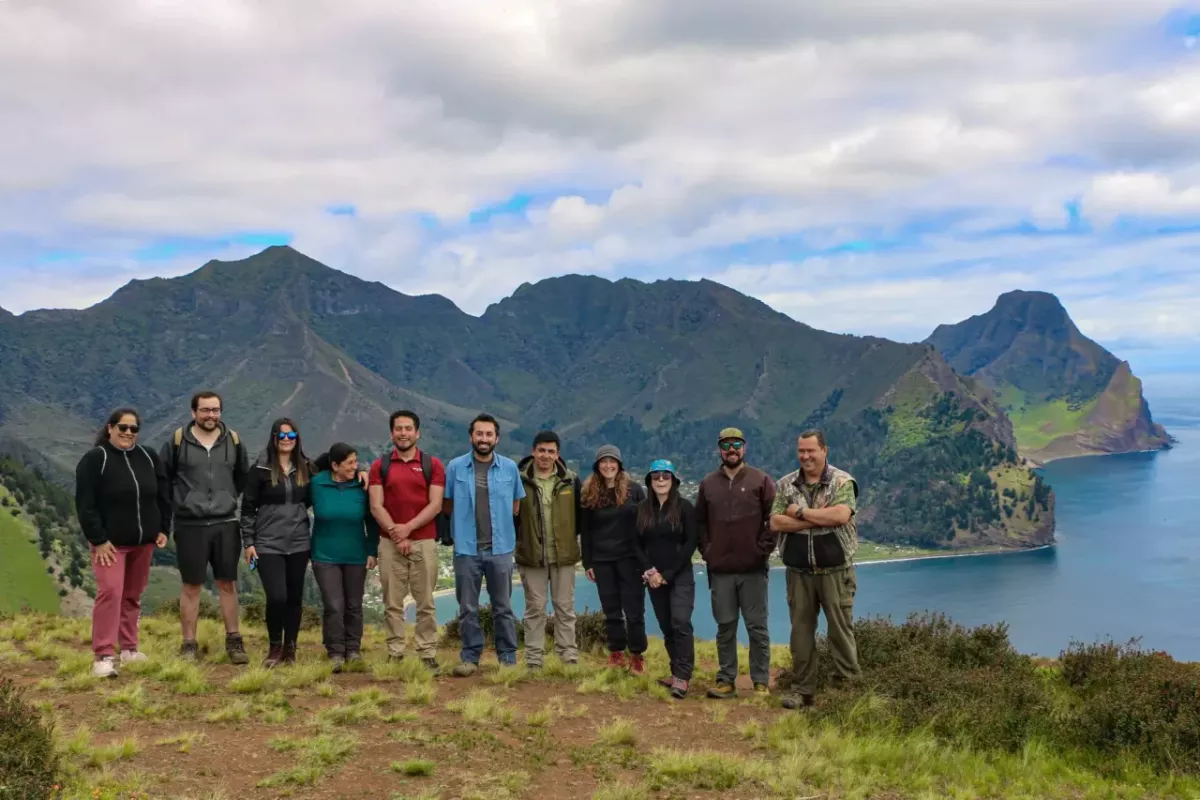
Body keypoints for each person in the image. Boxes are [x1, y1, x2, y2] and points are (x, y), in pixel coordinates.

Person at [75, 408, 171, 678]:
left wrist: (163, 527)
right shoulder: (96, 459)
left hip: (144, 543)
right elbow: (85, 505)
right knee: (110, 594)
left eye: (134, 428)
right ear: (110, 428)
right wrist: (99, 539)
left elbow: (163, 494)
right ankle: (103, 656)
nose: (128, 433)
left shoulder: (148, 457)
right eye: (123, 427)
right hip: (111, 545)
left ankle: (129, 649)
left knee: (132, 596)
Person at [769, 429, 861, 710]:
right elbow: (775, 522)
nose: (806, 456)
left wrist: (799, 513)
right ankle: (802, 691)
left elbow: (842, 515)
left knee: (840, 631)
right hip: (799, 573)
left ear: (825, 450)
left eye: (811, 450)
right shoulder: (785, 484)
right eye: (801, 451)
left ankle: (845, 689)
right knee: (801, 634)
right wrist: (819, 520)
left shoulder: (842, 481)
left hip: (836, 572)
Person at [159, 391, 250, 664]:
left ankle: (234, 641)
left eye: (215, 410)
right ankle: (189, 644)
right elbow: (164, 479)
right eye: (205, 410)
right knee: (191, 586)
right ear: (193, 413)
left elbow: (242, 476)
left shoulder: (233, 441)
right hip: (190, 524)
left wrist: (227, 498)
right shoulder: (177, 441)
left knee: (227, 583)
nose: (210, 415)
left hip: (225, 522)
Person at [695, 427, 777, 699]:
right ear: (719, 449)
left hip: (753, 569)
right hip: (720, 570)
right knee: (725, 626)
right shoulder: (708, 483)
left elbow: (773, 519)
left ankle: (761, 681)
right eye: (727, 444)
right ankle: (726, 679)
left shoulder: (761, 480)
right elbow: (700, 524)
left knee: (757, 627)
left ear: (745, 447)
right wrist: (708, 551)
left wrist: (761, 550)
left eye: (737, 444)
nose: (732, 449)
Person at [443, 413, 525, 676]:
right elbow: (447, 505)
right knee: (468, 608)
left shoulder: (510, 468)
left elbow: (515, 506)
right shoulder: (455, 467)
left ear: (496, 438)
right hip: (466, 549)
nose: (484, 439)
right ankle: (470, 658)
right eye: (479, 434)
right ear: (471, 436)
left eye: (489, 434)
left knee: (503, 607)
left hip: (500, 550)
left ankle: (507, 657)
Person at [368, 410, 445, 672]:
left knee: (425, 601)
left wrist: (408, 529)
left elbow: (435, 505)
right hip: (389, 542)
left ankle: (427, 652)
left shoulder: (432, 464)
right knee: (392, 602)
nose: (403, 433)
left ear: (417, 432)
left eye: (408, 428)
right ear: (392, 433)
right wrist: (395, 532)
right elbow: (376, 505)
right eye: (398, 429)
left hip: (423, 541)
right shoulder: (381, 466)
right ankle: (395, 651)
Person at [241, 418, 314, 668]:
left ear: (297, 439)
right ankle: (275, 646)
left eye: (291, 435)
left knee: (294, 597)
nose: (286, 439)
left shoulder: (305, 468)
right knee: (277, 597)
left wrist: (360, 471)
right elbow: (248, 508)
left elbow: (331, 470)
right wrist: (248, 542)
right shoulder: (259, 470)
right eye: (281, 435)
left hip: (299, 542)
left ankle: (290, 648)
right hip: (267, 542)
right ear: (273, 438)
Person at [514, 430, 581, 669]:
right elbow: (512, 518)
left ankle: (568, 656)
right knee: (535, 609)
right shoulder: (519, 479)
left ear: (557, 454)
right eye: (541, 450)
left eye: (551, 451)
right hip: (532, 556)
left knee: (565, 608)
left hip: (564, 556)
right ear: (533, 451)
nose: (545, 455)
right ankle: (534, 658)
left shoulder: (570, 480)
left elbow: (579, 517)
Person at [311, 442, 380, 672]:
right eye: (349, 463)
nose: (355, 466)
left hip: (356, 555)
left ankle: (353, 650)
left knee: (353, 605)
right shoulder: (317, 484)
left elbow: (371, 521)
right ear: (334, 465)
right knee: (333, 605)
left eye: (355, 461)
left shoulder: (361, 486)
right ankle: (335, 651)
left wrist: (372, 550)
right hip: (324, 554)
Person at [580, 444, 648, 674]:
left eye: (612, 461)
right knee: (611, 610)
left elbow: (644, 527)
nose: (608, 465)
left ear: (619, 465)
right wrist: (588, 562)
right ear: (598, 466)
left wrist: (645, 561)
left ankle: (637, 655)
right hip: (602, 560)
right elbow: (586, 531)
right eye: (603, 461)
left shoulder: (634, 490)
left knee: (635, 610)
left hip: (630, 560)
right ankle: (616, 652)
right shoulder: (589, 492)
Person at [633, 459, 697, 698]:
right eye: (656, 476)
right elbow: (636, 544)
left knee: (680, 622)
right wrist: (650, 571)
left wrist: (668, 574)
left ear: (673, 480)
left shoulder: (685, 507)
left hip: (679, 575)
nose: (661, 480)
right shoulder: (642, 510)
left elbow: (691, 543)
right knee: (667, 625)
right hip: (654, 578)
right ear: (649, 480)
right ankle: (675, 671)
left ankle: (683, 677)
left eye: (665, 476)